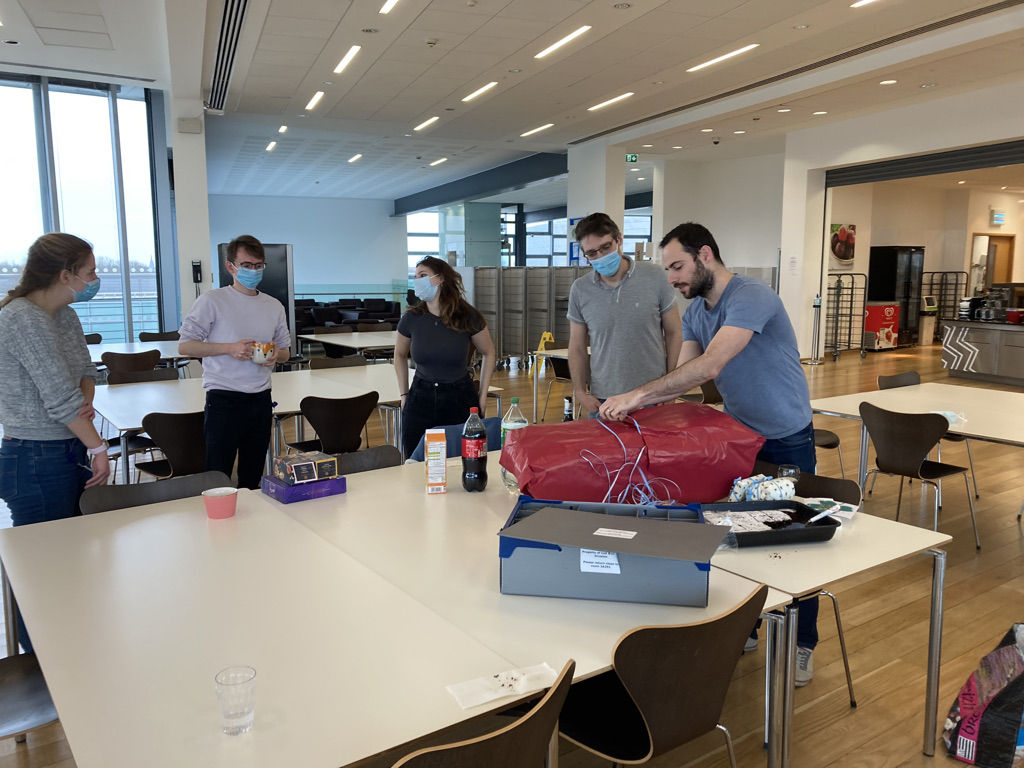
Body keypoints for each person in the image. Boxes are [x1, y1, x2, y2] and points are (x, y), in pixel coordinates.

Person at [599, 221, 819, 685]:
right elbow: (682, 379)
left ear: (705, 255)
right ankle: (751, 625)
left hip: (787, 436)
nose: (672, 279)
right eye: (667, 270)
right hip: (740, 438)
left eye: (677, 267)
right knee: (739, 536)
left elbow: (711, 364)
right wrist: (634, 408)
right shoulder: (698, 311)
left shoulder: (751, 297)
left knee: (794, 542)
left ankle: (803, 643)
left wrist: (636, 396)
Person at [0, 233, 112, 652]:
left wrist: (84, 403)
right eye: (90, 272)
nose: (95, 279)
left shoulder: (63, 315)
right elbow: (57, 397)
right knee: (40, 572)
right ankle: (42, 664)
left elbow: (85, 372)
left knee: (66, 564)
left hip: (65, 447)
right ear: (66, 275)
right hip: (34, 456)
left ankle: (69, 650)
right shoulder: (21, 318)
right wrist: (99, 448)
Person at [178, 235, 290, 489]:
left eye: (258, 265)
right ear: (231, 267)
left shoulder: (273, 305)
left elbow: (285, 351)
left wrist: (276, 355)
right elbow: (185, 346)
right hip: (223, 398)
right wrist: (229, 348)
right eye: (246, 265)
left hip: (261, 398)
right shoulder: (212, 300)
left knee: (252, 476)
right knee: (218, 477)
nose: (253, 270)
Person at [567, 213, 681, 417]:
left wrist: (671, 386)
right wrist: (580, 391)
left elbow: (674, 332)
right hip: (603, 399)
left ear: (619, 239)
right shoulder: (580, 289)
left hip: (652, 395)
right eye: (592, 253)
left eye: (606, 247)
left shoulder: (655, 277)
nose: (600, 257)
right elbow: (576, 345)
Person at [394, 257, 496, 458]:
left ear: (441, 279)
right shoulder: (411, 318)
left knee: (462, 458)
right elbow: (399, 354)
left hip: (459, 397)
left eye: (423, 275)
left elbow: (489, 352)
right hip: (420, 397)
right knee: (415, 459)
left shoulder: (467, 316)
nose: (417, 281)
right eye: (415, 276)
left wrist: (483, 395)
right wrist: (404, 394)